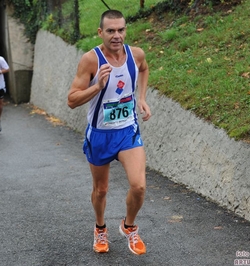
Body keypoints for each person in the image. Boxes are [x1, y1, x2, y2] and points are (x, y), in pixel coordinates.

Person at [68, 10, 151, 255]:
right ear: (100, 32)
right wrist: (97, 87)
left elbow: (144, 69)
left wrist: (142, 98)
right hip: (100, 135)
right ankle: (100, 228)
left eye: (121, 30)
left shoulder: (136, 55)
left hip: (127, 131)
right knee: (101, 190)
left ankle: (129, 226)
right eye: (111, 31)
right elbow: (72, 100)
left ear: (126, 30)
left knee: (139, 186)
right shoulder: (91, 60)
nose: (117, 36)